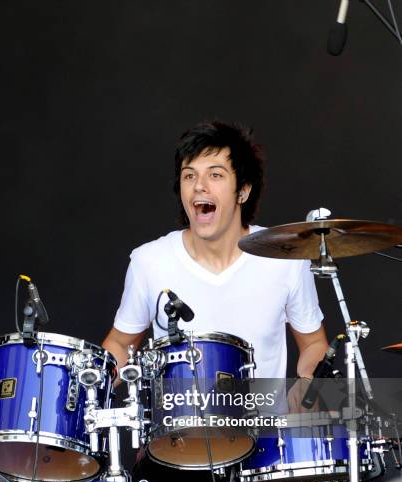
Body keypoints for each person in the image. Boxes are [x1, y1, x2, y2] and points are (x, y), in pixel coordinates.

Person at [103, 120, 328, 391]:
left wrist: (310, 386)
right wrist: (100, 376)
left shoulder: (284, 258)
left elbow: (314, 343)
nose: (199, 186)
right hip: (178, 429)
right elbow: (119, 343)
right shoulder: (149, 262)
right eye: (189, 175)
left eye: (215, 175)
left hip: (264, 428)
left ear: (243, 191)